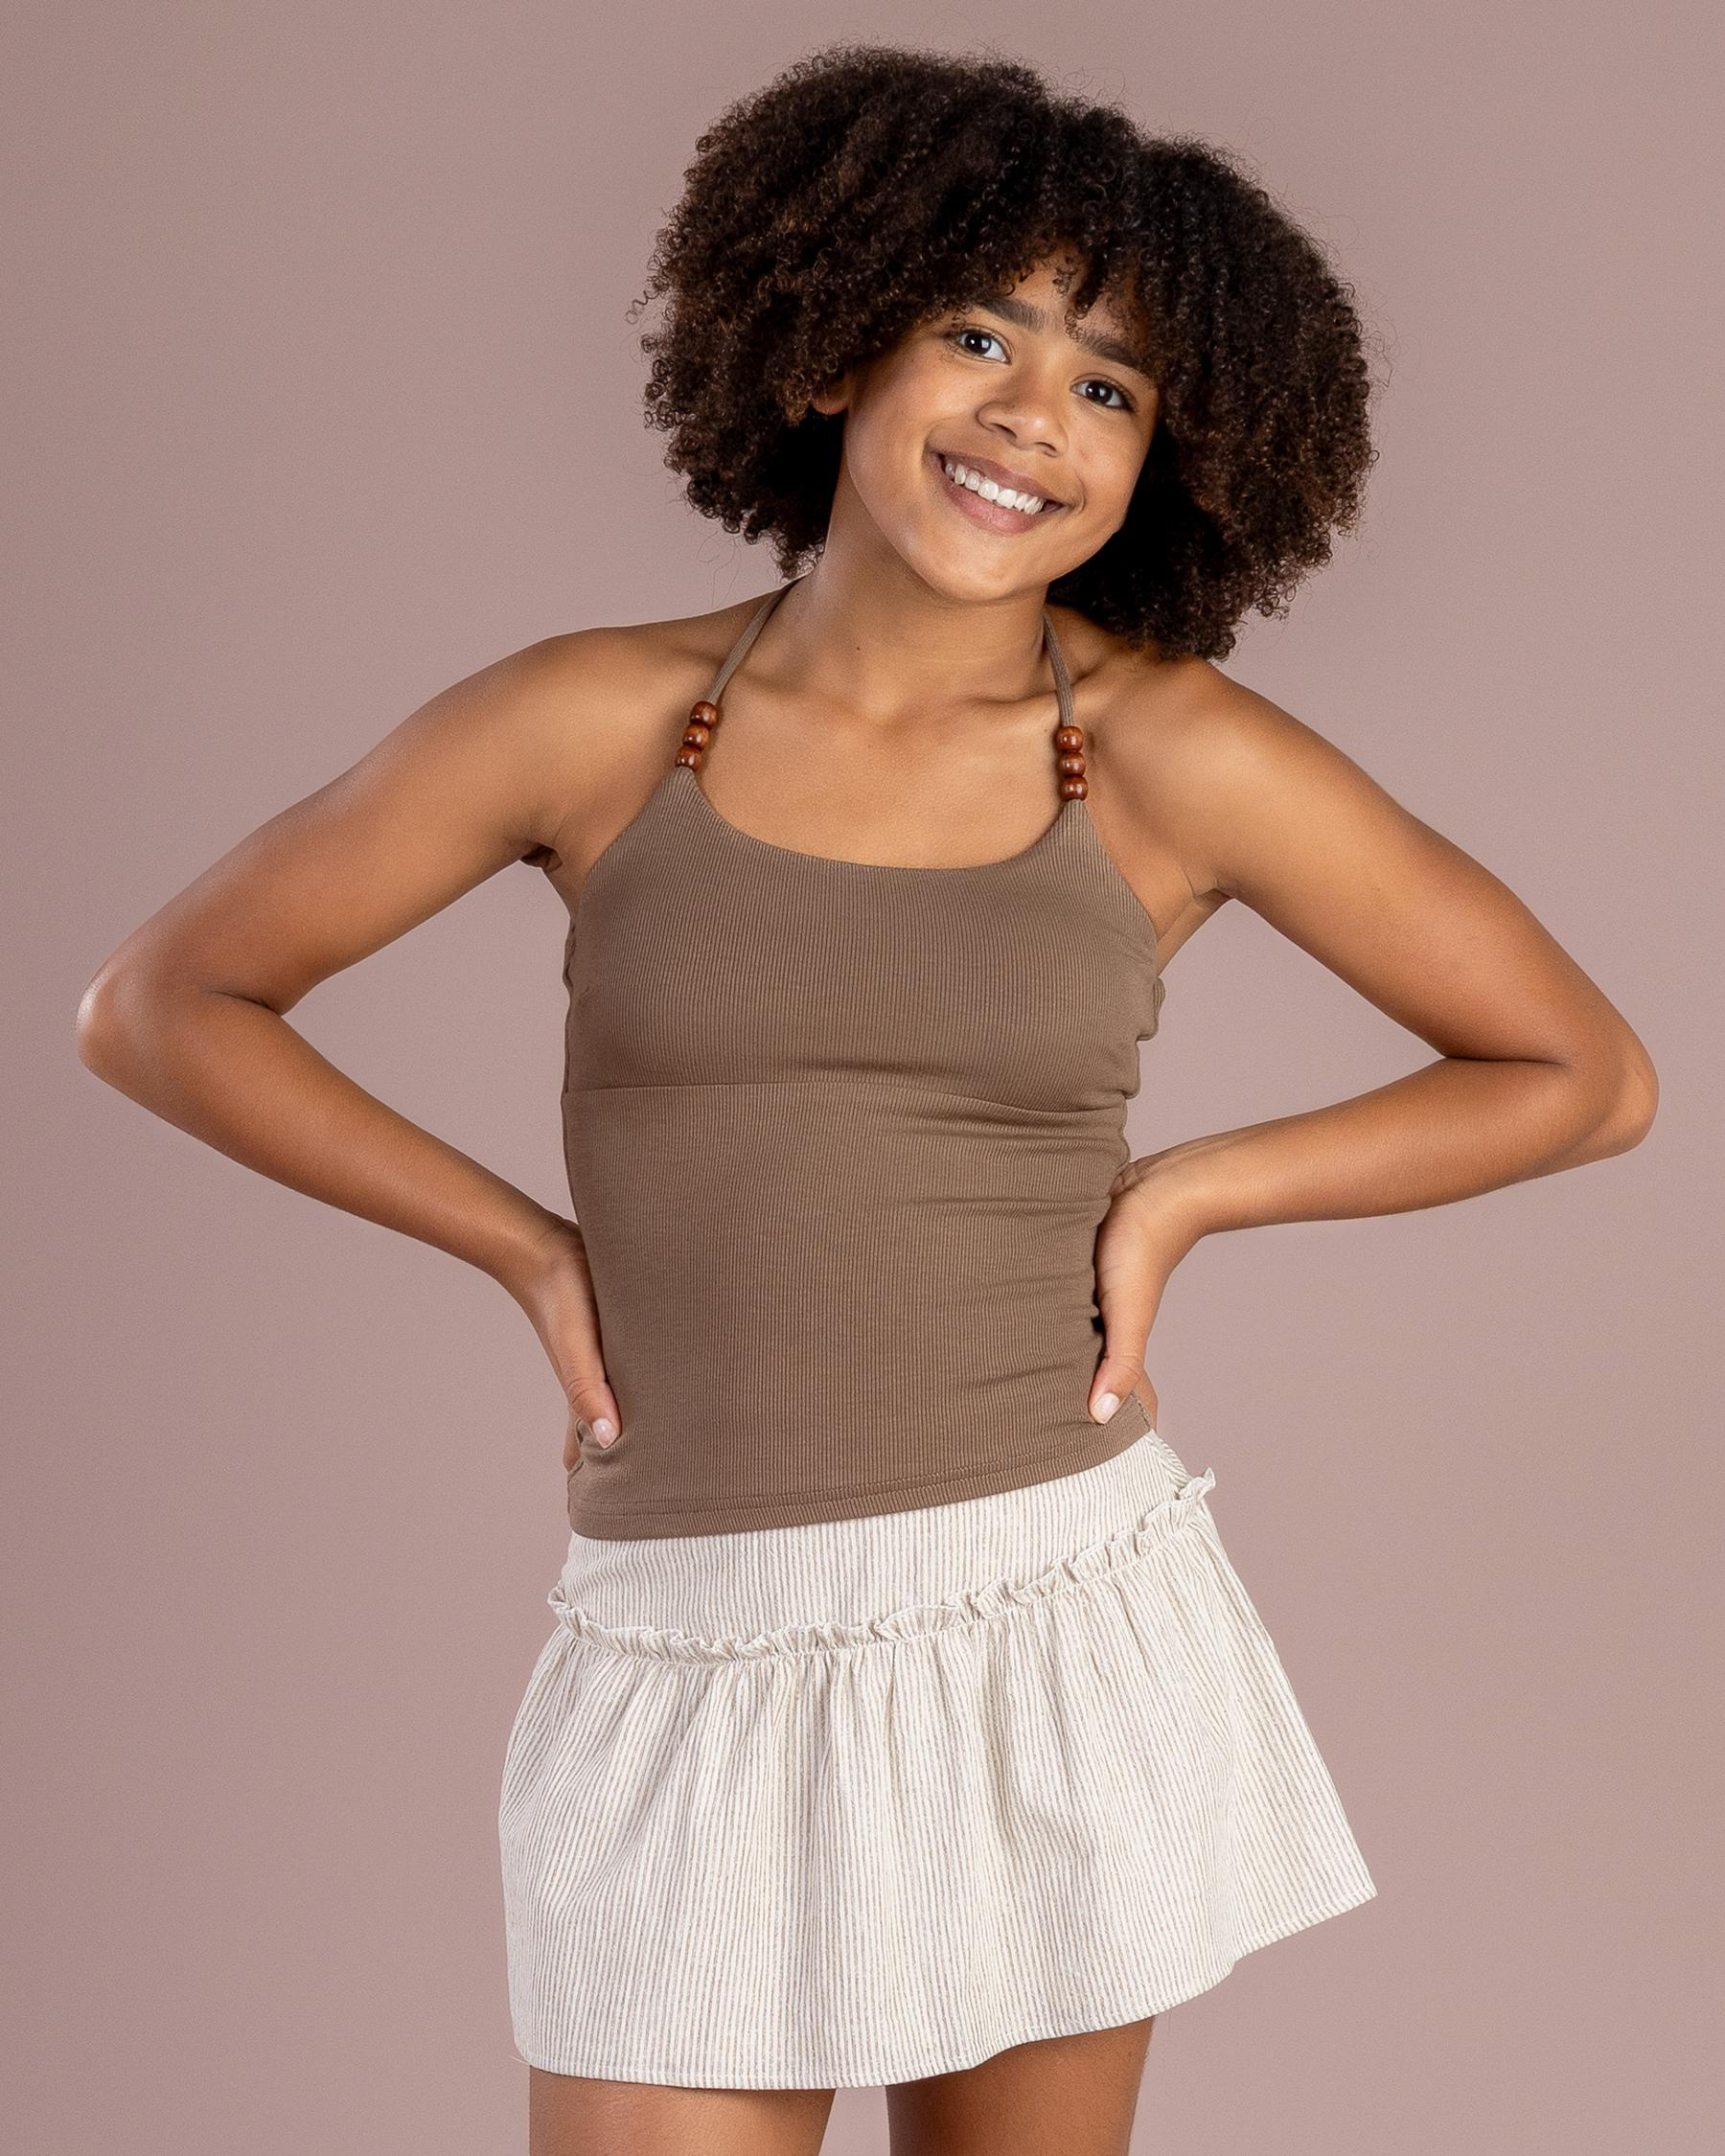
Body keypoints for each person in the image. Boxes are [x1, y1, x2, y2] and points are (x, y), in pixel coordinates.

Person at [75, 39, 1657, 2156]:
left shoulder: (1174, 753)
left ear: (1165, 461)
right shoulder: (595, 716)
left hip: (1039, 1610)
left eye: (1110, 385)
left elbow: (1582, 1072)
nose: (1034, 416)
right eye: (980, 336)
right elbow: (162, 1004)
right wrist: (527, 1249)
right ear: (830, 349)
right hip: (684, 1633)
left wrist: (1190, 1192)